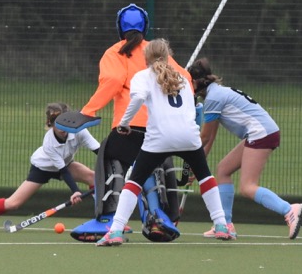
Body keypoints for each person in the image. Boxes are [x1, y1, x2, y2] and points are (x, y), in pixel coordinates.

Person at [96, 39, 232, 246]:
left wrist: (124, 123)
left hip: (159, 138)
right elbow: (192, 110)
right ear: (168, 56)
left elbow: (137, 99)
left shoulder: (142, 76)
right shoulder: (183, 78)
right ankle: (221, 225)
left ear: (146, 58)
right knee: (205, 176)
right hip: (189, 136)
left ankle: (115, 231)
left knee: (134, 180)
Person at [73, 3, 192, 240]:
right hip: (161, 128)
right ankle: (159, 216)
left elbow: (113, 80)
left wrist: (88, 111)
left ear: (119, 27)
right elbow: (186, 79)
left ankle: (108, 219)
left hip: (128, 127)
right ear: (145, 27)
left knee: (110, 157)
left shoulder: (115, 52)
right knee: (148, 165)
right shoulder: (157, 53)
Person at [188, 58, 302, 239]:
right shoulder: (216, 94)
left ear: (196, 82)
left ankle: (289, 209)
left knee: (247, 186)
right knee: (223, 169)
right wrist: (198, 167)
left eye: (189, 82)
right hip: (261, 132)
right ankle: (226, 225)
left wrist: (191, 161)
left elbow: (203, 138)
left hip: (261, 133)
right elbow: (210, 138)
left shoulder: (213, 98)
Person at [0, 103, 99, 231]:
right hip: (43, 168)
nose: (62, 128)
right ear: (50, 124)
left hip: (66, 163)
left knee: (93, 177)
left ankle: (103, 220)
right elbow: (64, 172)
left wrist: (110, 168)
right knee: (13, 203)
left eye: (65, 122)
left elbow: (99, 151)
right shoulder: (49, 142)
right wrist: (75, 191)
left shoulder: (80, 131)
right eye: (57, 123)